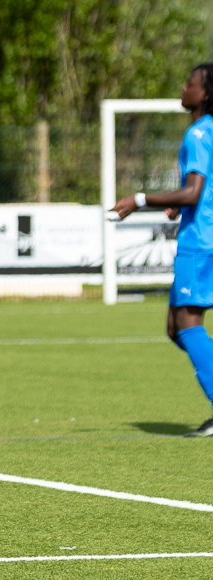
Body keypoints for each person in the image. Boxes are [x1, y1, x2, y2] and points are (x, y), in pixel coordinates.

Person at [112, 63, 213, 436]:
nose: (183, 86)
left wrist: (140, 199)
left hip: (201, 243)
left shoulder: (199, 134)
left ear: (204, 94)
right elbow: (199, 193)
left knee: (187, 324)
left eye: (191, 83)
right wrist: (181, 205)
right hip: (202, 237)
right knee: (176, 326)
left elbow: (194, 191)